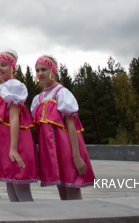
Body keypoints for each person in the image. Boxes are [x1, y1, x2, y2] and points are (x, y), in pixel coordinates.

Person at [31, 55, 95, 199]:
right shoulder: (38, 99)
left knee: (72, 186)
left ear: (53, 71)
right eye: (37, 70)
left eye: (44, 69)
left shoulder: (62, 93)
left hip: (67, 149)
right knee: (61, 189)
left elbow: (72, 126)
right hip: (51, 152)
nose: (40, 73)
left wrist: (76, 156)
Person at [0, 49, 37, 201]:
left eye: (3, 65)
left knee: (19, 182)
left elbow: (14, 117)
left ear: (13, 68)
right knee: (10, 181)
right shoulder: (3, 87)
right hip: (5, 141)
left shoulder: (14, 86)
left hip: (15, 141)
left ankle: (29, 213)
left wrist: (14, 148)